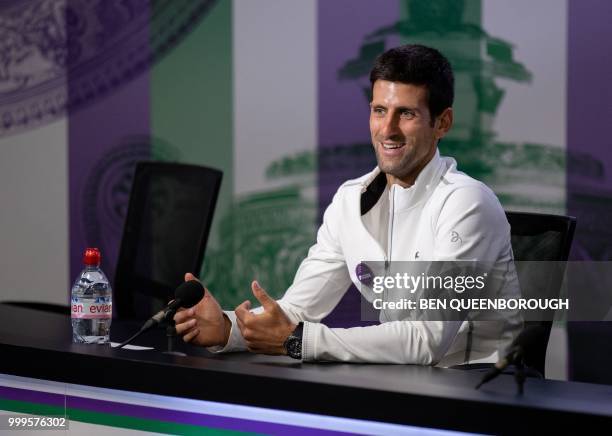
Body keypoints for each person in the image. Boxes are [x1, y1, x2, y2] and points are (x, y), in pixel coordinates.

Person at [174, 44, 522, 366]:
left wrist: (300, 341)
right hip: (403, 384)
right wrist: (226, 327)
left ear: (442, 123)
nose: (388, 129)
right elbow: (299, 309)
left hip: (482, 389)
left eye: (407, 114)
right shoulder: (349, 201)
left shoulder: (467, 203)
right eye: (379, 110)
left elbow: (427, 339)